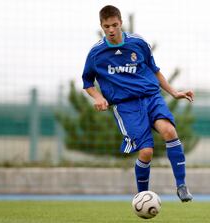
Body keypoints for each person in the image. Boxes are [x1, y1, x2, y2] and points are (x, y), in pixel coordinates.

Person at [82, 5, 193, 202]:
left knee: (169, 131)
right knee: (146, 151)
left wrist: (174, 92)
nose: (111, 30)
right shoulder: (96, 54)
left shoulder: (139, 43)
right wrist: (98, 98)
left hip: (152, 97)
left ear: (121, 23)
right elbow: (88, 83)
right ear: (101, 25)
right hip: (126, 106)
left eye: (115, 25)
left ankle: (181, 186)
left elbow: (155, 70)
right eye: (107, 26)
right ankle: (143, 195)